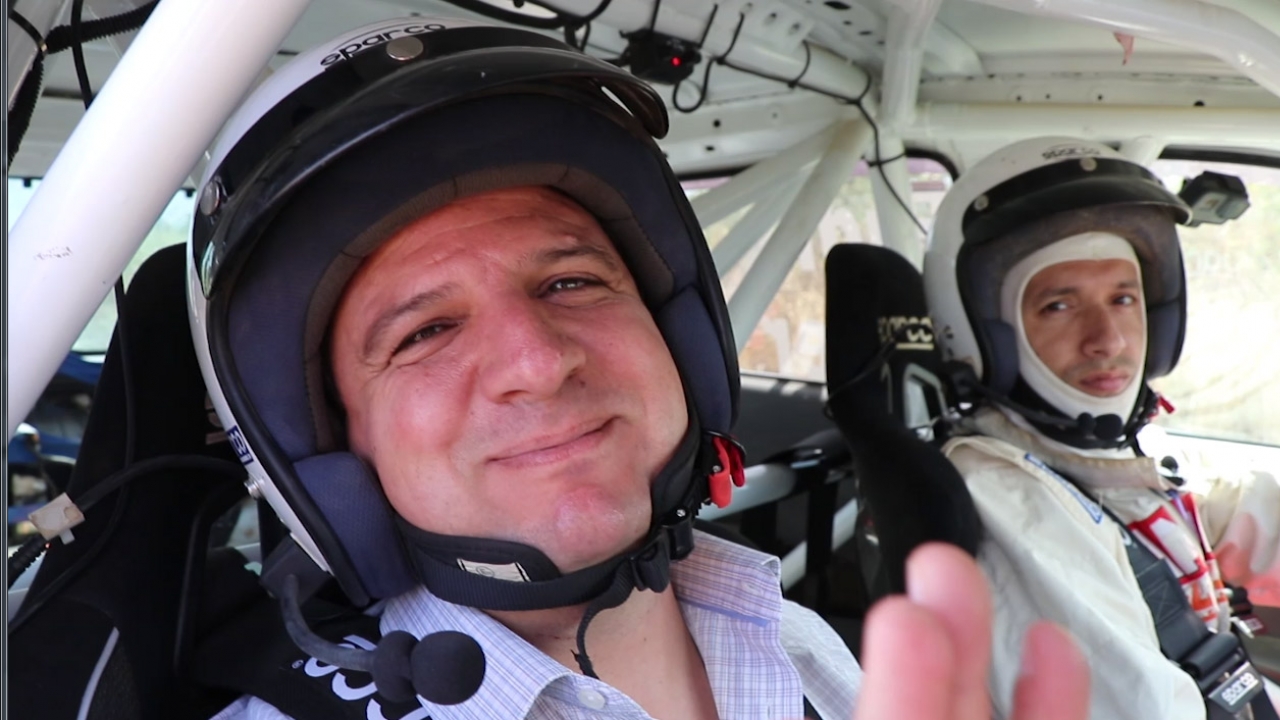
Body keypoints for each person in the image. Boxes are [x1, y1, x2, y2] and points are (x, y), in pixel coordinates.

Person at [194, 18, 1088, 720]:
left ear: (679, 339)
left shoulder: (799, 642)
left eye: (571, 282)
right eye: (425, 332)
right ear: (328, 448)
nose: (540, 362)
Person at [923, 135, 1280, 720]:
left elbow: (1227, 503)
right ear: (989, 332)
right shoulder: (1005, 495)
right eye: (1059, 306)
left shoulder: (1110, 452)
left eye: (1123, 299)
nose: (1108, 340)